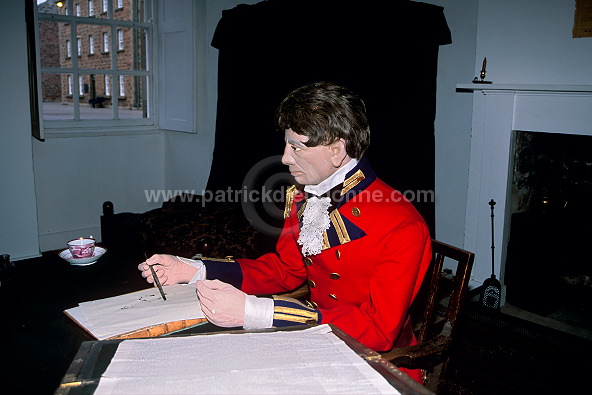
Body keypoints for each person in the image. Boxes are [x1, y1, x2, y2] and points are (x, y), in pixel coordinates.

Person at [138, 81, 432, 383]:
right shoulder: (307, 196)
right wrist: (195, 269)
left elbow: (379, 331)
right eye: (286, 144)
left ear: (337, 151)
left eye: (297, 146)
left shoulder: (401, 225)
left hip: (374, 360)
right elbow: (285, 271)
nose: (285, 158)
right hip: (316, 335)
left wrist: (257, 312)